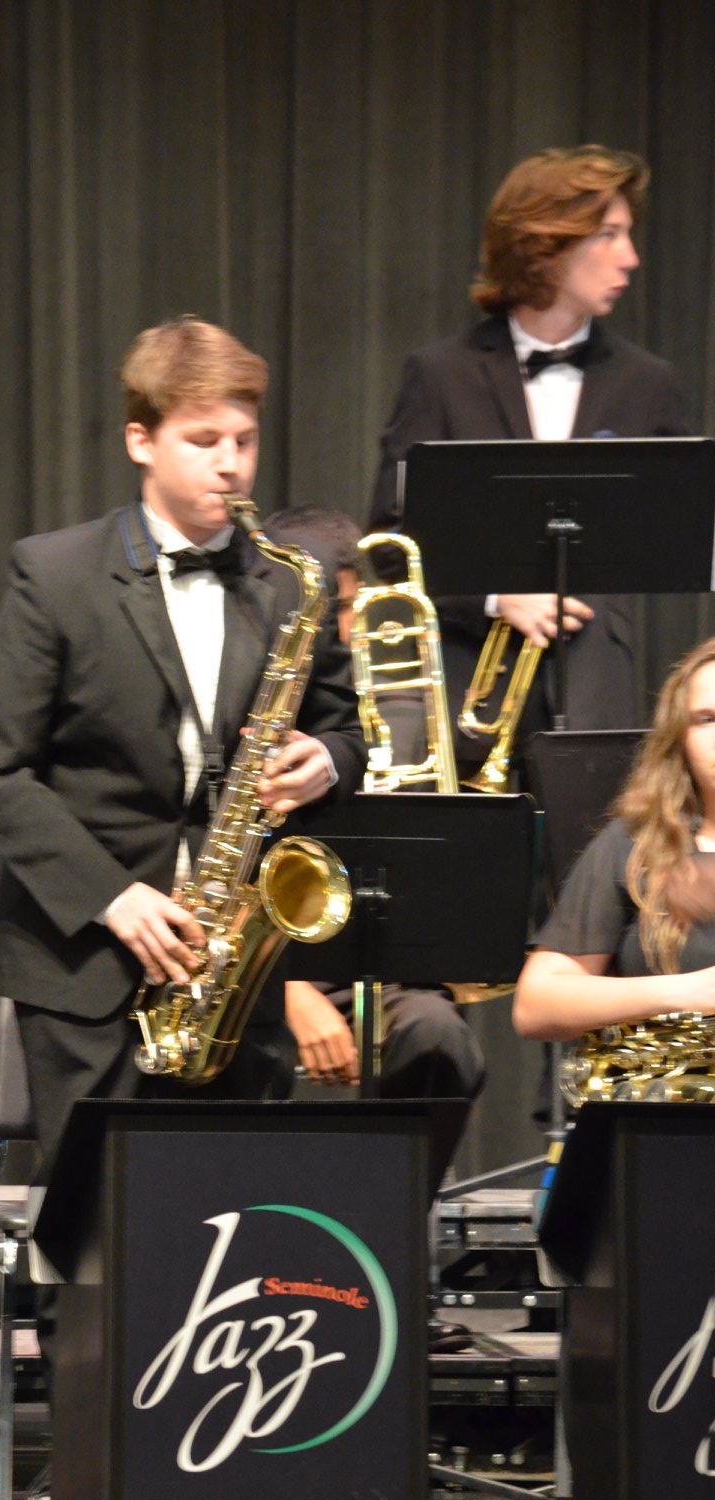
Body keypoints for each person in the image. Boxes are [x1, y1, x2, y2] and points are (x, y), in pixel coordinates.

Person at [0, 319, 366, 1500]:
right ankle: (83, 1452)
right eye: (203, 440)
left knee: (236, 1201)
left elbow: (342, 721)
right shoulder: (56, 572)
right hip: (92, 948)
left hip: (238, 946)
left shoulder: (286, 578)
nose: (231, 463)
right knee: (92, 1210)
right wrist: (112, 893)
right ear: (141, 440)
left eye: (244, 439)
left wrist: (327, 762)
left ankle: (220, 1443)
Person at [368, 144, 691, 771]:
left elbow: (680, 532)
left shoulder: (648, 382)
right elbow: (389, 541)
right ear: (549, 243)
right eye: (609, 234)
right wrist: (496, 597)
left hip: (595, 688)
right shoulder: (441, 374)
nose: (630, 257)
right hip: (468, 686)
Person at [264, 504, 484, 1104]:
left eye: (348, 607)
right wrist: (289, 992)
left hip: (370, 970)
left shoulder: (402, 714)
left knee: (436, 1035)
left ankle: (408, 1170)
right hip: (255, 971)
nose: (345, 629)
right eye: (325, 611)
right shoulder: (241, 706)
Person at [514, 634, 715, 1042]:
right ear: (680, 739)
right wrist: (685, 992)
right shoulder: (636, 844)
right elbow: (536, 1003)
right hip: (671, 1081)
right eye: (706, 719)